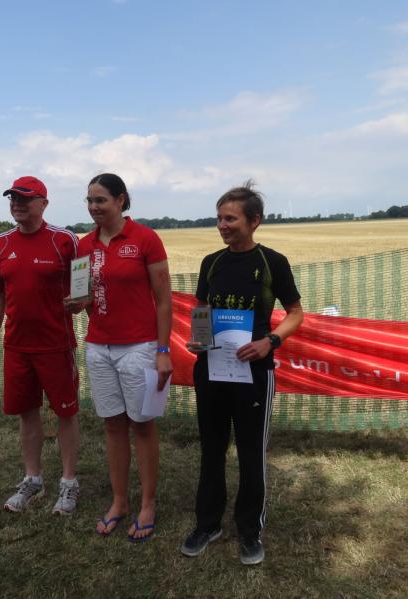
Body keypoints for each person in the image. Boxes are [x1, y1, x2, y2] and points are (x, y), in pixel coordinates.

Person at [180, 182, 303, 565]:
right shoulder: (212, 262)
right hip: (211, 371)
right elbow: (201, 306)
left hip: (255, 373)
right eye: (219, 218)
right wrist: (199, 339)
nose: (222, 225)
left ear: (254, 221)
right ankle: (208, 524)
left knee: (251, 454)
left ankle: (250, 531)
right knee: (211, 449)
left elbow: (296, 313)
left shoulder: (272, 262)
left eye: (230, 219)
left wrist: (270, 341)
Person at [72, 173, 172, 542]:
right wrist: (76, 304)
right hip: (99, 347)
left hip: (140, 347)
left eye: (100, 200)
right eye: (89, 201)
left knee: (142, 425)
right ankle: (119, 501)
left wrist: (163, 350)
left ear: (121, 200)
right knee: (112, 425)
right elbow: (82, 298)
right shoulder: (84, 245)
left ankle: (147, 503)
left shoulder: (145, 238)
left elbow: (164, 300)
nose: (94, 207)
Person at [0, 176, 82, 515]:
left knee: (66, 412)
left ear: (44, 203)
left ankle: (69, 483)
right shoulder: (0, 244)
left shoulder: (65, 240)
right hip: (17, 347)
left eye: (25, 199)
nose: (17, 204)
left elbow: (81, 291)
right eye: (13, 198)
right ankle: (33, 479)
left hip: (56, 345)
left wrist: (78, 302)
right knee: (27, 413)